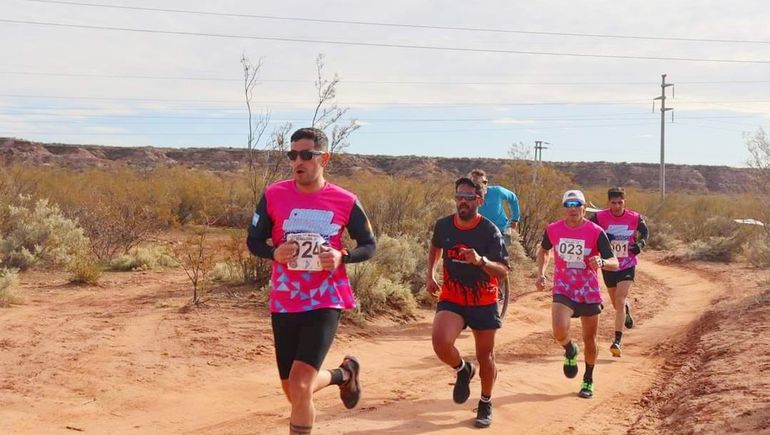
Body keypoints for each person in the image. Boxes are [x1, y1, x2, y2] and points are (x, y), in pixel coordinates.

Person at [246, 127, 376, 435]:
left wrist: (342, 255)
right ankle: (343, 375)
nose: (297, 161)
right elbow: (253, 241)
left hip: (325, 298)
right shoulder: (274, 195)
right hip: (285, 299)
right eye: (292, 155)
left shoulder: (345, 200)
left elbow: (369, 245)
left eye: (306, 154)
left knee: (301, 384)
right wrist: (274, 252)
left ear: (324, 158)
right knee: (293, 390)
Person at [427, 177, 510, 428]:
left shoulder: (490, 231)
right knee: (441, 343)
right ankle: (463, 369)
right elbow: (435, 247)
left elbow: (503, 271)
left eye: (469, 197)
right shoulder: (444, 225)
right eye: (459, 196)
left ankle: (485, 401)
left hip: (483, 300)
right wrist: (430, 273)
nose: (462, 201)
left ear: (480, 201)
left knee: (485, 356)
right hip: (452, 297)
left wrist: (481, 261)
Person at [535, 190, 618, 399]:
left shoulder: (596, 231)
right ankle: (570, 349)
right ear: (564, 208)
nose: (573, 209)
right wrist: (541, 273)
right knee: (559, 330)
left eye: (577, 204)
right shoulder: (553, 229)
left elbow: (614, 262)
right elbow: (544, 250)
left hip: (588, 291)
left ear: (584, 207)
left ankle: (588, 379)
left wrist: (602, 262)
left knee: (589, 339)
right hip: (563, 288)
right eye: (568, 204)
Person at [589, 187, 649, 358]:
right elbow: (588, 229)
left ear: (624, 202)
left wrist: (641, 244)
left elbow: (645, 232)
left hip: (627, 264)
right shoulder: (599, 217)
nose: (616, 206)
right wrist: (603, 237)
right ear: (608, 203)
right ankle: (626, 312)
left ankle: (617, 341)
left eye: (620, 203)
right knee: (617, 304)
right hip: (609, 265)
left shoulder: (634, 217)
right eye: (613, 203)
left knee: (620, 299)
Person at [468, 169, 521, 245]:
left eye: (484, 182)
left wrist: (515, 219)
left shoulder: (497, 191)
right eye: (475, 183)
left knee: (505, 251)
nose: (481, 185)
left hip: (502, 230)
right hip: (481, 233)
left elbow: (513, 198)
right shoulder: (467, 197)